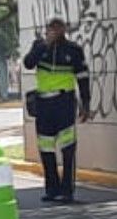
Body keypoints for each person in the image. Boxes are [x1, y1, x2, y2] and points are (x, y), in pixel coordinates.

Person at [23, 18, 91, 203]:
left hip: (65, 101)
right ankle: (51, 188)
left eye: (57, 28)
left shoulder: (73, 50)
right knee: (46, 147)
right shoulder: (39, 46)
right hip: (43, 103)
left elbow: (83, 77)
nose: (53, 31)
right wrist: (45, 44)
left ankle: (67, 190)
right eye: (50, 29)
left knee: (68, 148)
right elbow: (28, 63)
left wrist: (86, 103)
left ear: (63, 30)